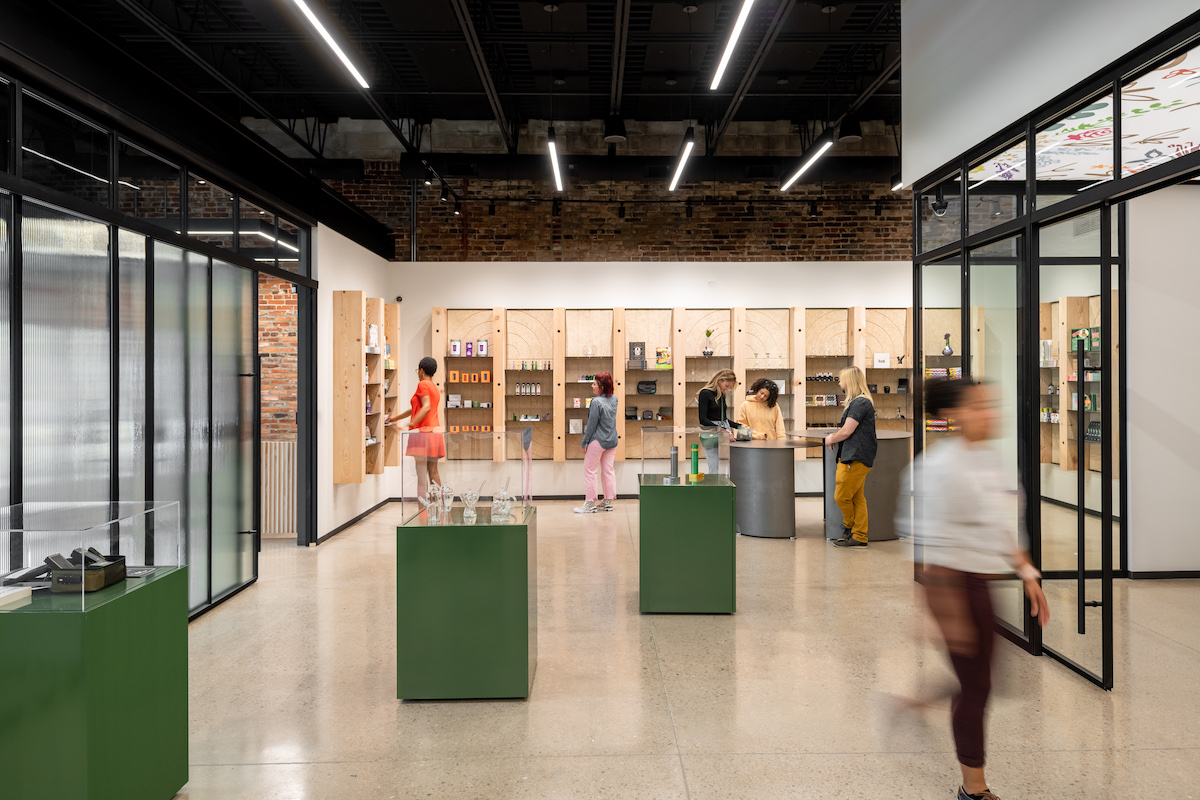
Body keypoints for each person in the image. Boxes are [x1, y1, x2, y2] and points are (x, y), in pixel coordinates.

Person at [899, 379, 1049, 800]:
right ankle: (974, 789)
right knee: (977, 686)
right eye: (979, 406)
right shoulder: (937, 468)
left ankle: (914, 706)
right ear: (953, 415)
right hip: (953, 585)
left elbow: (1001, 522)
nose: (990, 413)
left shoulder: (988, 461)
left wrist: (1026, 571)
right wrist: (948, 615)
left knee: (980, 681)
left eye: (990, 405)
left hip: (979, 584)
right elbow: (930, 554)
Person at [824, 365, 877, 548]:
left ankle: (849, 527)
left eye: (842, 379)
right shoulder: (859, 402)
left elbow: (847, 431)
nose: (839, 383)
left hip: (855, 457)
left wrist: (831, 437)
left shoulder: (860, 403)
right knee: (857, 498)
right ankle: (859, 536)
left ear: (850, 381)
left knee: (841, 496)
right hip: (853, 456)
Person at [386, 356, 444, 498]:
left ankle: (422, 514)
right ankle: (439, 506)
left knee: (421, 477)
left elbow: (426, 408)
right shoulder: (434, 387)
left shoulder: (423, 384)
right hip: (434, 435)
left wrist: (409, 424)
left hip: (422, 435)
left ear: (421, 371)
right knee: (434, 472)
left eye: (417, 370)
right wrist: (395, 418)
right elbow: (415, 409)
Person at [575, 373, 619, 513]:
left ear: (601, 386)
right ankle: (608, 501)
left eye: (594, 384)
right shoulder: (615, 399)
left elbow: (591, 425)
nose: (592, 386)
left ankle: (590, 503)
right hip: (612, 441)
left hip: (598, 442)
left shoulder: (596, 402)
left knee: (590, 471)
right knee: (608, 470)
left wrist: (584, 442)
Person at [697, 368, 737, 474]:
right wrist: (722, 430)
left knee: (730, 465)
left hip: (724, 430)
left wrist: (739, 426)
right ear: (719, 381)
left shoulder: (722, 394)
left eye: (730, 387)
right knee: (714, 467)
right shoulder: (705, 393)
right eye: (727, 386)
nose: (728, 389)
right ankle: (714, 488)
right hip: (711, 432)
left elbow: (722, 418)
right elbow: (703, 419)